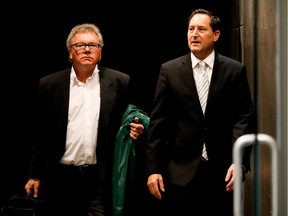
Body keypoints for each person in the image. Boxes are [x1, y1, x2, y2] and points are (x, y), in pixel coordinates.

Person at [24, 23, 145, 216]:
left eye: (93, 45)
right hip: (59, 178)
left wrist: (136, 127)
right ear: (70, 52)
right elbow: (42, 134)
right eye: (80, 45)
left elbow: (128, 119)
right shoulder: (50, 84)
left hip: (98, 179)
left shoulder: (120, 81)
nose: (87, 49)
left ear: (100, 52)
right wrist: (34, 175)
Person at [146, 8, 255, 216]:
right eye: (190, 29)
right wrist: (153, 169)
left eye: (201, 29)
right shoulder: (170, 71)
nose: (194, 34)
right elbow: (159, 122)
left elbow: (243, 118)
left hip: (223, 173)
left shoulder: (234, 70)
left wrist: (239, 161)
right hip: (180, 173)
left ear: (215, 35)